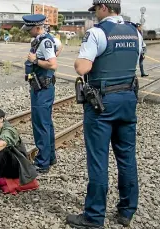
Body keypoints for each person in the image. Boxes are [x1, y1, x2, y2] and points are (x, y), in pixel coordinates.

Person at [66, 1, 142, 228]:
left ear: (103, 8)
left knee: (98, 160)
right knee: (127, 157)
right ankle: (127, 211)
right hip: (128, 99)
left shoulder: (97, 33)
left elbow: (83, 68)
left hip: (103, 103)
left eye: (96, 10)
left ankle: (94, 216)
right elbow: (137, 60)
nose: (95, 14)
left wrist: (78, 59)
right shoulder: (134, 32)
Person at [22, 14, 58, 174]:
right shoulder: (44, 40)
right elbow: (60, 47)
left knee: (41, 124)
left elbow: (53, 64)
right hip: (40, 87)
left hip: (42, 88)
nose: (28, 31)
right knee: (46, 123)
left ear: (37, 27)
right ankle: (50, 157)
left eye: (30, 29)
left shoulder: (45, 42)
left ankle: (43, 162)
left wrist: (36, 60)